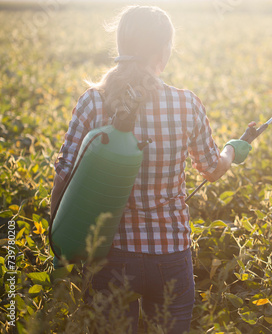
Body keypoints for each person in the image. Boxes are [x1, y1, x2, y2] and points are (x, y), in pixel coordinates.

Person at [51, 5, 252, 333]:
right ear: (163, 49)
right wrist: (233, 149)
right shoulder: (186, 104)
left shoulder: (93, 101)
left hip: (109, 255)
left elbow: (63, 176)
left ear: (121, 47)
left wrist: (58, 241)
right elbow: (213, 168)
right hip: (171, 255)